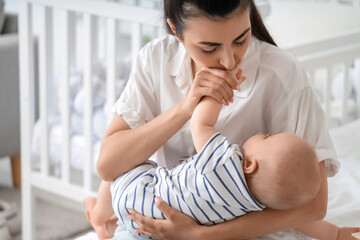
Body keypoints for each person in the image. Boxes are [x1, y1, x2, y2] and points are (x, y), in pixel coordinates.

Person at [94, 0, 349, 239]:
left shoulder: (282, 75)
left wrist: (198, 235)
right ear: (175, 29)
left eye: (241, 40)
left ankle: (101, 215)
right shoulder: (155, 59)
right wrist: (185, 107)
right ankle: (101, 215)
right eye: (209, 48)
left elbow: (314, 205)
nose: (229, 60)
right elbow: (108, 166)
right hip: (156, 216)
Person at [84, 93, 359, 240]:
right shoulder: (259, 206)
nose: (264, 133)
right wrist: (336, 235)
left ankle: (99, 214)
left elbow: (200, 124)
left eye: (267, 136)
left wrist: (217, 93)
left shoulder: (223, 164)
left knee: (122, 168)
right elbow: (306, 222)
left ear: (249, 164)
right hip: (152, 229)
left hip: (141, 197)